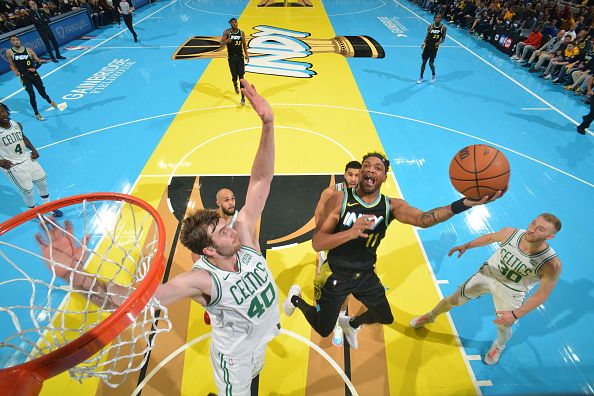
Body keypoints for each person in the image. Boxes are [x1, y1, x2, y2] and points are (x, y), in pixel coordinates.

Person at [36, 79, 277, 396]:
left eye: (225, 225)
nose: (230, 228)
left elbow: (260, 179)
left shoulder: (243, 238)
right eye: (222, 231)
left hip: (260, 339)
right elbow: (137, 302)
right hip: (235, 358)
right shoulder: (203, 280)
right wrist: (78, 278)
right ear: (208, 250)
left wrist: (268, 125)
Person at [283, 152, 503, 350]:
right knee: (323, 329)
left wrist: (465, 203)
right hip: (336, 272)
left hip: (365, 274)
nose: (371, 169)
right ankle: (296, 300)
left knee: (384, 316)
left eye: (377, 168)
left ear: (384, 177)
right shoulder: (341, 200)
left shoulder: (392, 206)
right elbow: (317, 242)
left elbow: (424, 219)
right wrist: (350, 233)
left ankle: (351, 323)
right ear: (360, 173)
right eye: (366, 166)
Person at [410, 214, 562, 365]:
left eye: (540, 229)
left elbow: (542, 295)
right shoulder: (511, 233)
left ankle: (499, 346)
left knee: (504, 325)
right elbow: (490, 238)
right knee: (453, 300)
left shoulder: (551, 264)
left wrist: (515, 315)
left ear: (550, 236)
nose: (532, 229)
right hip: (488, 274)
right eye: (533, 223)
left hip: (511, 291)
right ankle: (430, 316)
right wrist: (467, 246)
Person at [313, 160, 361, 347]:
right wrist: (325, 241)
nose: (354, 179)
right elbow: (318, 215)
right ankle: (323, 311)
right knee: (323, 286)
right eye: (350, 174)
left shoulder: (365, 195)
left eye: (357, 175)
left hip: (348, 251)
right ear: (344, 174)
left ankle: (340, 322)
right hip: (329, 247)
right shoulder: (331, 192)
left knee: (344, 289)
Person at [0, 103, 62, 216]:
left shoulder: (16, 124)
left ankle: (48, 206)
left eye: (3, 111)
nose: (2, 114)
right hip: (14, 166)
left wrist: (33, 150)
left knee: (42, 182)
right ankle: (35, 214)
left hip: (27, 159)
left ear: (7, 111)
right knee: (28, 192)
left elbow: (23, 137)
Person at [5, 35, 60, 121]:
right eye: (14, 40)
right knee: (31, 95)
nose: (16, 41)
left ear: (20, 41)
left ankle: (50, 101)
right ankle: (37, 113)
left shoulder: (29, 50)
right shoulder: (9, 52)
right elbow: (11, 64)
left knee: (42, 93)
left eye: (17, 40)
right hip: (24, 77)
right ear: (11, 42)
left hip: (34, 75)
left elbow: (38, 61)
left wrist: (37, 66)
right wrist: (15, 72)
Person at [221, 18, 249, 105]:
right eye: (232, 23)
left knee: (241, 78)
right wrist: (227, 41)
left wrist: (246, 54)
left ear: (237, 23)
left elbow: (244, 44)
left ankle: (243, 98)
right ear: (230, 24)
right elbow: (221, 43)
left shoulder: (241, 33)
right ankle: (234, 83)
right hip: (232, 58)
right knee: (234, 76)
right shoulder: (227, 32)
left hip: (240, 57)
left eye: (235, 22)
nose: (234, 24)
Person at [417, 13, 447, 84]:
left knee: (431, 63)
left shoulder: (443, 28)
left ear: (441, 19)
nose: (438, 18)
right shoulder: (430, 26)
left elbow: (443, 39)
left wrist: (439, 42)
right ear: (434, 18)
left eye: (439, 17)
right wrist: (424, 43)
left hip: (434, 48)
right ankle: (421, 77)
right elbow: (427, 36)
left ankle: (433, 75)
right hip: (427, 46)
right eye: (436, 17)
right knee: (423, 62)